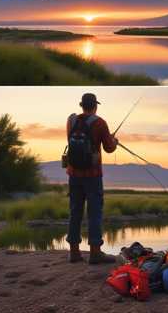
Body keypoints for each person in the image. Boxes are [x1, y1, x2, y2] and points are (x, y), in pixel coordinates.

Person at [66, 93, 118, 264]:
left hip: (73, 174)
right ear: (95, 106)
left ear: (81, 105)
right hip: (93, 175)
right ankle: (95, 253)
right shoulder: (99, 122)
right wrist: (114, 141)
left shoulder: (71, 121)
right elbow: (109, 148)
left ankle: (74, 252)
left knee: (75, 211)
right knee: (94, 213)